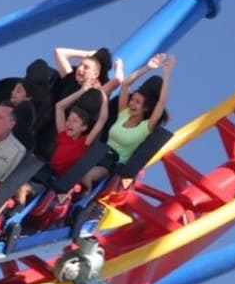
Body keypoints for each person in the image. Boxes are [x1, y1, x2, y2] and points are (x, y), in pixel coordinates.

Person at [85, 53, 175, 189]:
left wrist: (167, 73)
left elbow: (161, 102)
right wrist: (147, 68)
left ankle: (83, 194)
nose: (132, 103)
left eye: (137, 102)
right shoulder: (124, 113)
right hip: (96, 153)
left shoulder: (146, 126)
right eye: (132, 99)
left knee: (86, 174)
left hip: (112, 163)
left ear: (146, 108)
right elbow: (126, 84)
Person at [49, 82, 108, 179]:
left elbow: (102, 119)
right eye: (68, 120)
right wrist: (82, 91)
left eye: (74, 121)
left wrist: (103, 95)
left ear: (83, 127)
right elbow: (59, 107)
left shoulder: (84, 142)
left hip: (62, 180)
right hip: (48, 172)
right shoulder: (63, 135)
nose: (69, 123)